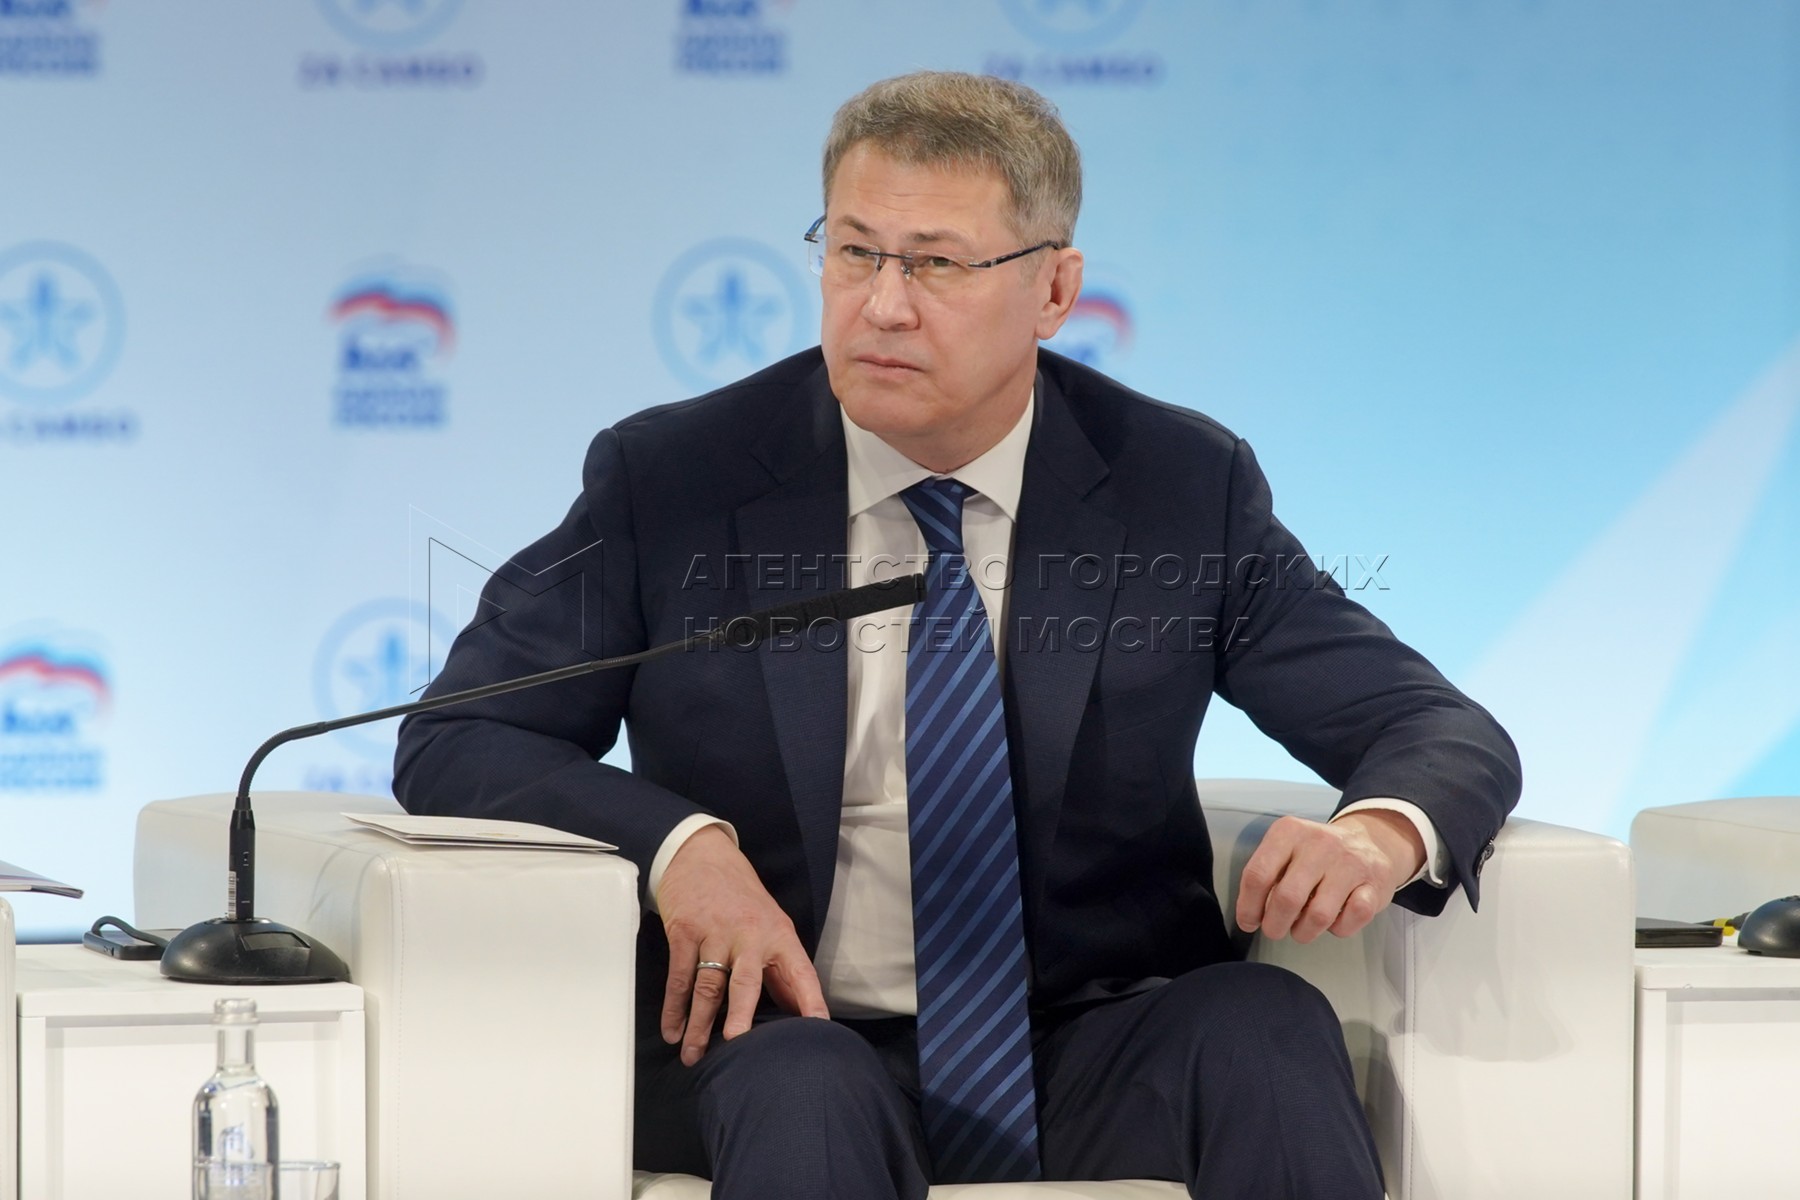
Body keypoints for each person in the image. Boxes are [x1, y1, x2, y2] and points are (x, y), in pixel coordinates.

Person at [394, 71, 1520, 1200]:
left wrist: (1377, 833)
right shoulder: (674, 479)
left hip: (1090, 1035)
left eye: (936, 264)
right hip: (788, 1035)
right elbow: (459, 735)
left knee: (1264, 1028)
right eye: (854, 252)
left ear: (1054, 289)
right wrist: (683, 848)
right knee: (805, 1092)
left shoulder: (1179, 487)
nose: (883, 306)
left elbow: (1433, 727)